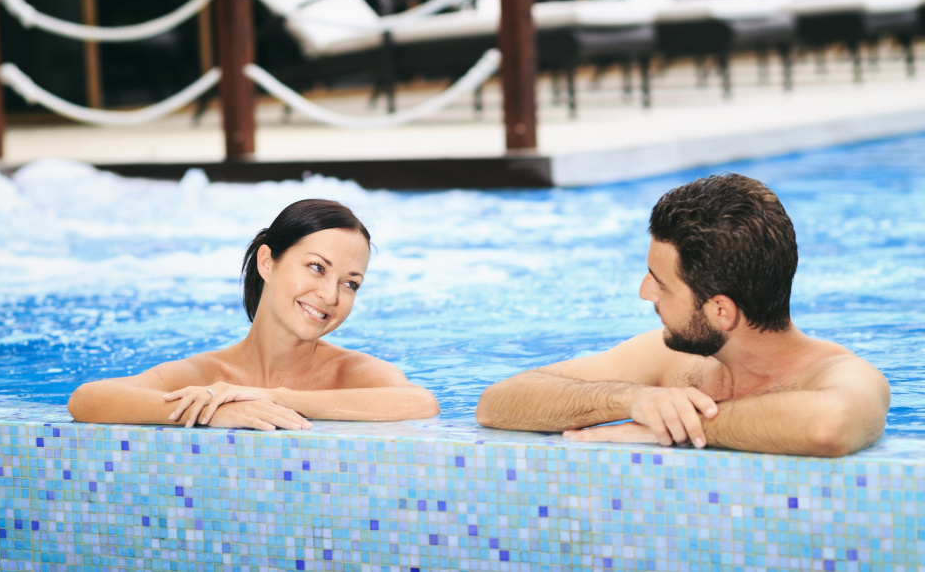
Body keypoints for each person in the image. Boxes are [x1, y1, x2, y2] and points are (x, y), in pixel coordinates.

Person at [475, 174, 890, 457]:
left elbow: (827, 426)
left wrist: (682, 427)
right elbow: (497, 404)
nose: (644, 292)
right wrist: (633, 399)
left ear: (720, 311)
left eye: (661, 282)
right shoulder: (671, 359)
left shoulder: (839, 374)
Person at [68, 199, 439, 429]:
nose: (330, 295)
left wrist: (272, 397)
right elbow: (88, 398)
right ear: (267, 262)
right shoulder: (210, 376)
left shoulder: (351, 373)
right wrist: (210, 412)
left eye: (350, 283)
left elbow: (420, 403)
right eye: (316, 267)